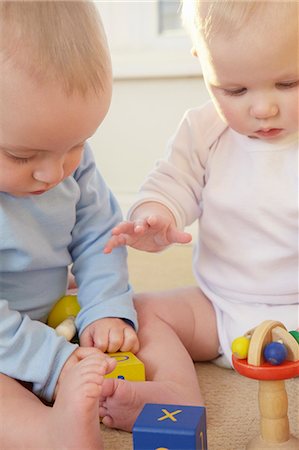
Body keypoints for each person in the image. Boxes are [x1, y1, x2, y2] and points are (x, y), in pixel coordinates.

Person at [102, 0, 299, 432]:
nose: (263, 108)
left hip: (297, 308)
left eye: (288, 83)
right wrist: (157, 215)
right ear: (202, 62)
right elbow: (172, 182)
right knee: (139, 311)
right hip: (217, 307)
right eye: (235, 90)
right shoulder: (203, 130)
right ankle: (177, 394)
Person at [0, 2, 139, 448]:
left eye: (76, 144)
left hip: (59, 317)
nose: (53, 172)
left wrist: (106, 309)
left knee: (153, 317)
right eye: (21, 156)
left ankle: (158, 399)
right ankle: (48, 432)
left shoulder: (62, 159)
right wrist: (53, 361)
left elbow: (100, 233)